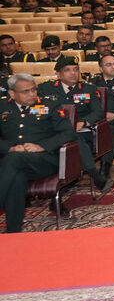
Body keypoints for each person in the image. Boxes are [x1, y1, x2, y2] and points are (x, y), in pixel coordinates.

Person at [0, 73, 76, 232]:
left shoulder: (50, 105)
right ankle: (13, 231)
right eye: (25, 91)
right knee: (16, 177)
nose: (32, 94)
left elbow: (68, 133)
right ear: (12, 94)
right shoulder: (2, 107)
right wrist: (10, 147)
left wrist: (42, 146)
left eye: (33, 90)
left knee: (13, 160)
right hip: (13, 164)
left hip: (45, 161)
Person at [37, 60, 111, 193]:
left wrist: (84, 122)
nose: (73, 73)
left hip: (81, 130)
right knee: (67, 137)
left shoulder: (88, 89)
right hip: (54, 131)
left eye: (76, 69)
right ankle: (94, 175)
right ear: (58, 74)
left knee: (73, 137)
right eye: (67, 70)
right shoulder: (45, 89)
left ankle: (72, 181)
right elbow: (39, 111)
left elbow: (98, 112)